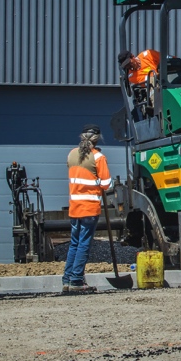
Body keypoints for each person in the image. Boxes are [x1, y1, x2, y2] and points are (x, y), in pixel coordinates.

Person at [64, 123, 113, 292]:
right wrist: (98, 182)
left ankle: (67, 279)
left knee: (74, 243)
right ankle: (77, 280)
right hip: (89, 207)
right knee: (84, 243)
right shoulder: (98, 157)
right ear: (97, 139)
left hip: (74, 206)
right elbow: (107, 184)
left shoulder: (71, 155)